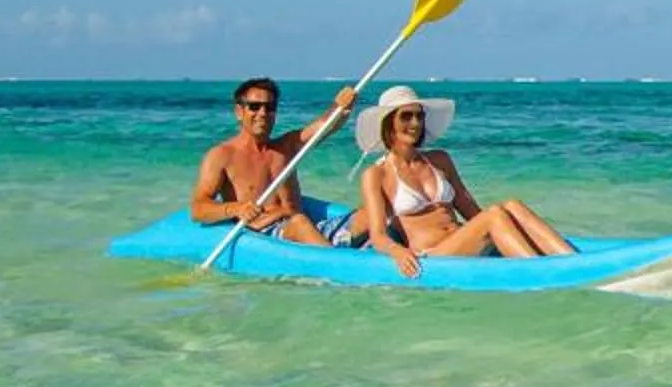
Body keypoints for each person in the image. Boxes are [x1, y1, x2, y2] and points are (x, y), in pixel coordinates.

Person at [354, 84, 576, 277]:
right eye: (406, 116)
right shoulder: (377, 174)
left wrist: (509, 228)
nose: (415, 123)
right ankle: (540, 273)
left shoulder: (439, 160)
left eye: (419, 116)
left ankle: (572, 261)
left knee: (511, 205)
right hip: (433, 255)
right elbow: (378, 235)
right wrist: (398, 252)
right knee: (494, 215)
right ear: (389, 123)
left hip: (462, 242)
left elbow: (471, 212)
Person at [191, 77, 364, 244]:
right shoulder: (222, 155)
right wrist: (236, 208)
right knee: (299, 223)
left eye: (270, 107)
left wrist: (340, 106)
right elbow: (198, 208)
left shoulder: (287, 146)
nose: (262, 113)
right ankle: (335, 258)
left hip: (309, 229)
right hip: (269, 235)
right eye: (254, 106)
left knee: (368, 215)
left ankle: (339, 249)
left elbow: (326, 126)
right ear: (239, 112)